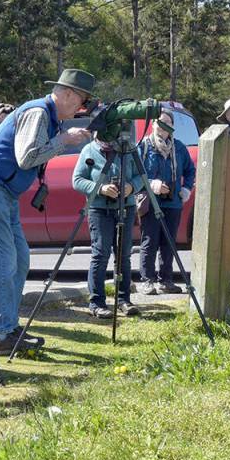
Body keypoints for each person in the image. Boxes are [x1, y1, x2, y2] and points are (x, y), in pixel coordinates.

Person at [0, 69, 93, 353]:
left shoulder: (51, 116)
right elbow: (27, 157)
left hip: (1, 191)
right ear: (67, 93)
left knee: (19, 260)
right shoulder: (39, 113)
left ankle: (8, 326)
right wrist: (64, 141)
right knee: (1, 261)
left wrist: (61, 139)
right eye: (81, 100)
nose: (81, 108)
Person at [73, 125, 145, 319]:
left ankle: (124, 300)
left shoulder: (128, 148)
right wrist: (101, 188)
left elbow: (142, 175)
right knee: (101, 253)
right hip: (99, 209)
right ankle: (97, 303)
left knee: (124, 255)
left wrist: (131, 187)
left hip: (126, 208)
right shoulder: (89, 150)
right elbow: (77, 180)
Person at [137, 108, 196, 295]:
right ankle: (147, 280)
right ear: (153, 124)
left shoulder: (179, 147)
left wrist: (186, 188)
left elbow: (190, 170)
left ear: (171, 127)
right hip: (151, 201)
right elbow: (135, 173)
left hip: (173, 203)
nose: (163, 127)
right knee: (150, 241)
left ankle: (166, 280)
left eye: (167, 123)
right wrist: (151, 184)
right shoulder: (144, 146)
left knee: (169, 242)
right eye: (159, 122)